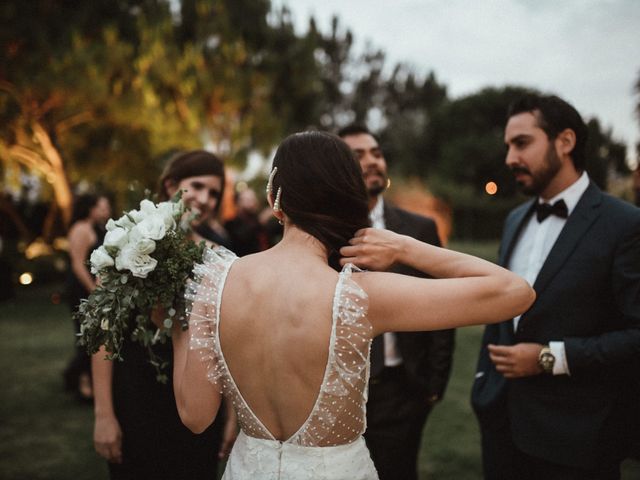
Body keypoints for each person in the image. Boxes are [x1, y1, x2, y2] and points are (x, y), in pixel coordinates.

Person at [166, 131, 534, 479]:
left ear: (274, 198)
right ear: (348, 201)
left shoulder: (213, 281)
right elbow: (515, 291)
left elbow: (196, 417)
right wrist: (406, 247)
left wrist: (178, 328)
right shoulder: (359, 296)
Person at [471, 94, 640, 480]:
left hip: (576, 439)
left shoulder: (625, 225)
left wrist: (551, 357)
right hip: (501, 426)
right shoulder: (514, 220)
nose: (510, 158)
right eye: (508, 146)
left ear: (565, 142)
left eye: (522, 143)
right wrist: (483, 389)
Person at [91, 150, 237, 480]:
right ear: (171, 184)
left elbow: (227, 344)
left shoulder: (219, 258)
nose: (205, 199)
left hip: (199, 399)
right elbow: (103, 334)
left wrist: (232, 417)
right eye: (197, 186)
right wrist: (103, 414)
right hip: (135, 395)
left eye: (214, 192)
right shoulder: (127, 243)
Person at [338, 124, 455, 480]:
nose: (372, 161)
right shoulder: (323, 231)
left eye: (376, 152)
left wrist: (434, 382)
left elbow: (442, 305)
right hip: (338, 388)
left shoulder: (418, 229)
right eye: (358, 155)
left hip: (401, 388)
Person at [63, 192, 111, 402]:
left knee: (94, 334)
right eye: (102, 207)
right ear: (90, 208)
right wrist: (94, 290)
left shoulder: (97, 228)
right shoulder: (81, 229)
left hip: (93, 287)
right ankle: (81, 383)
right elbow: (77, 264)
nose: (106, 211)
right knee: (85, 335)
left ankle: (84, 379)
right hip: (82, 288)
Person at [224, 188, 269, 256]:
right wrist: (261, 221)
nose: (253, 202)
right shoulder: (231, 224)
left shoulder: (255, 219)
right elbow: (242, 238)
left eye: (253, 199)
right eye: (249, 200)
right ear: (239, 202)